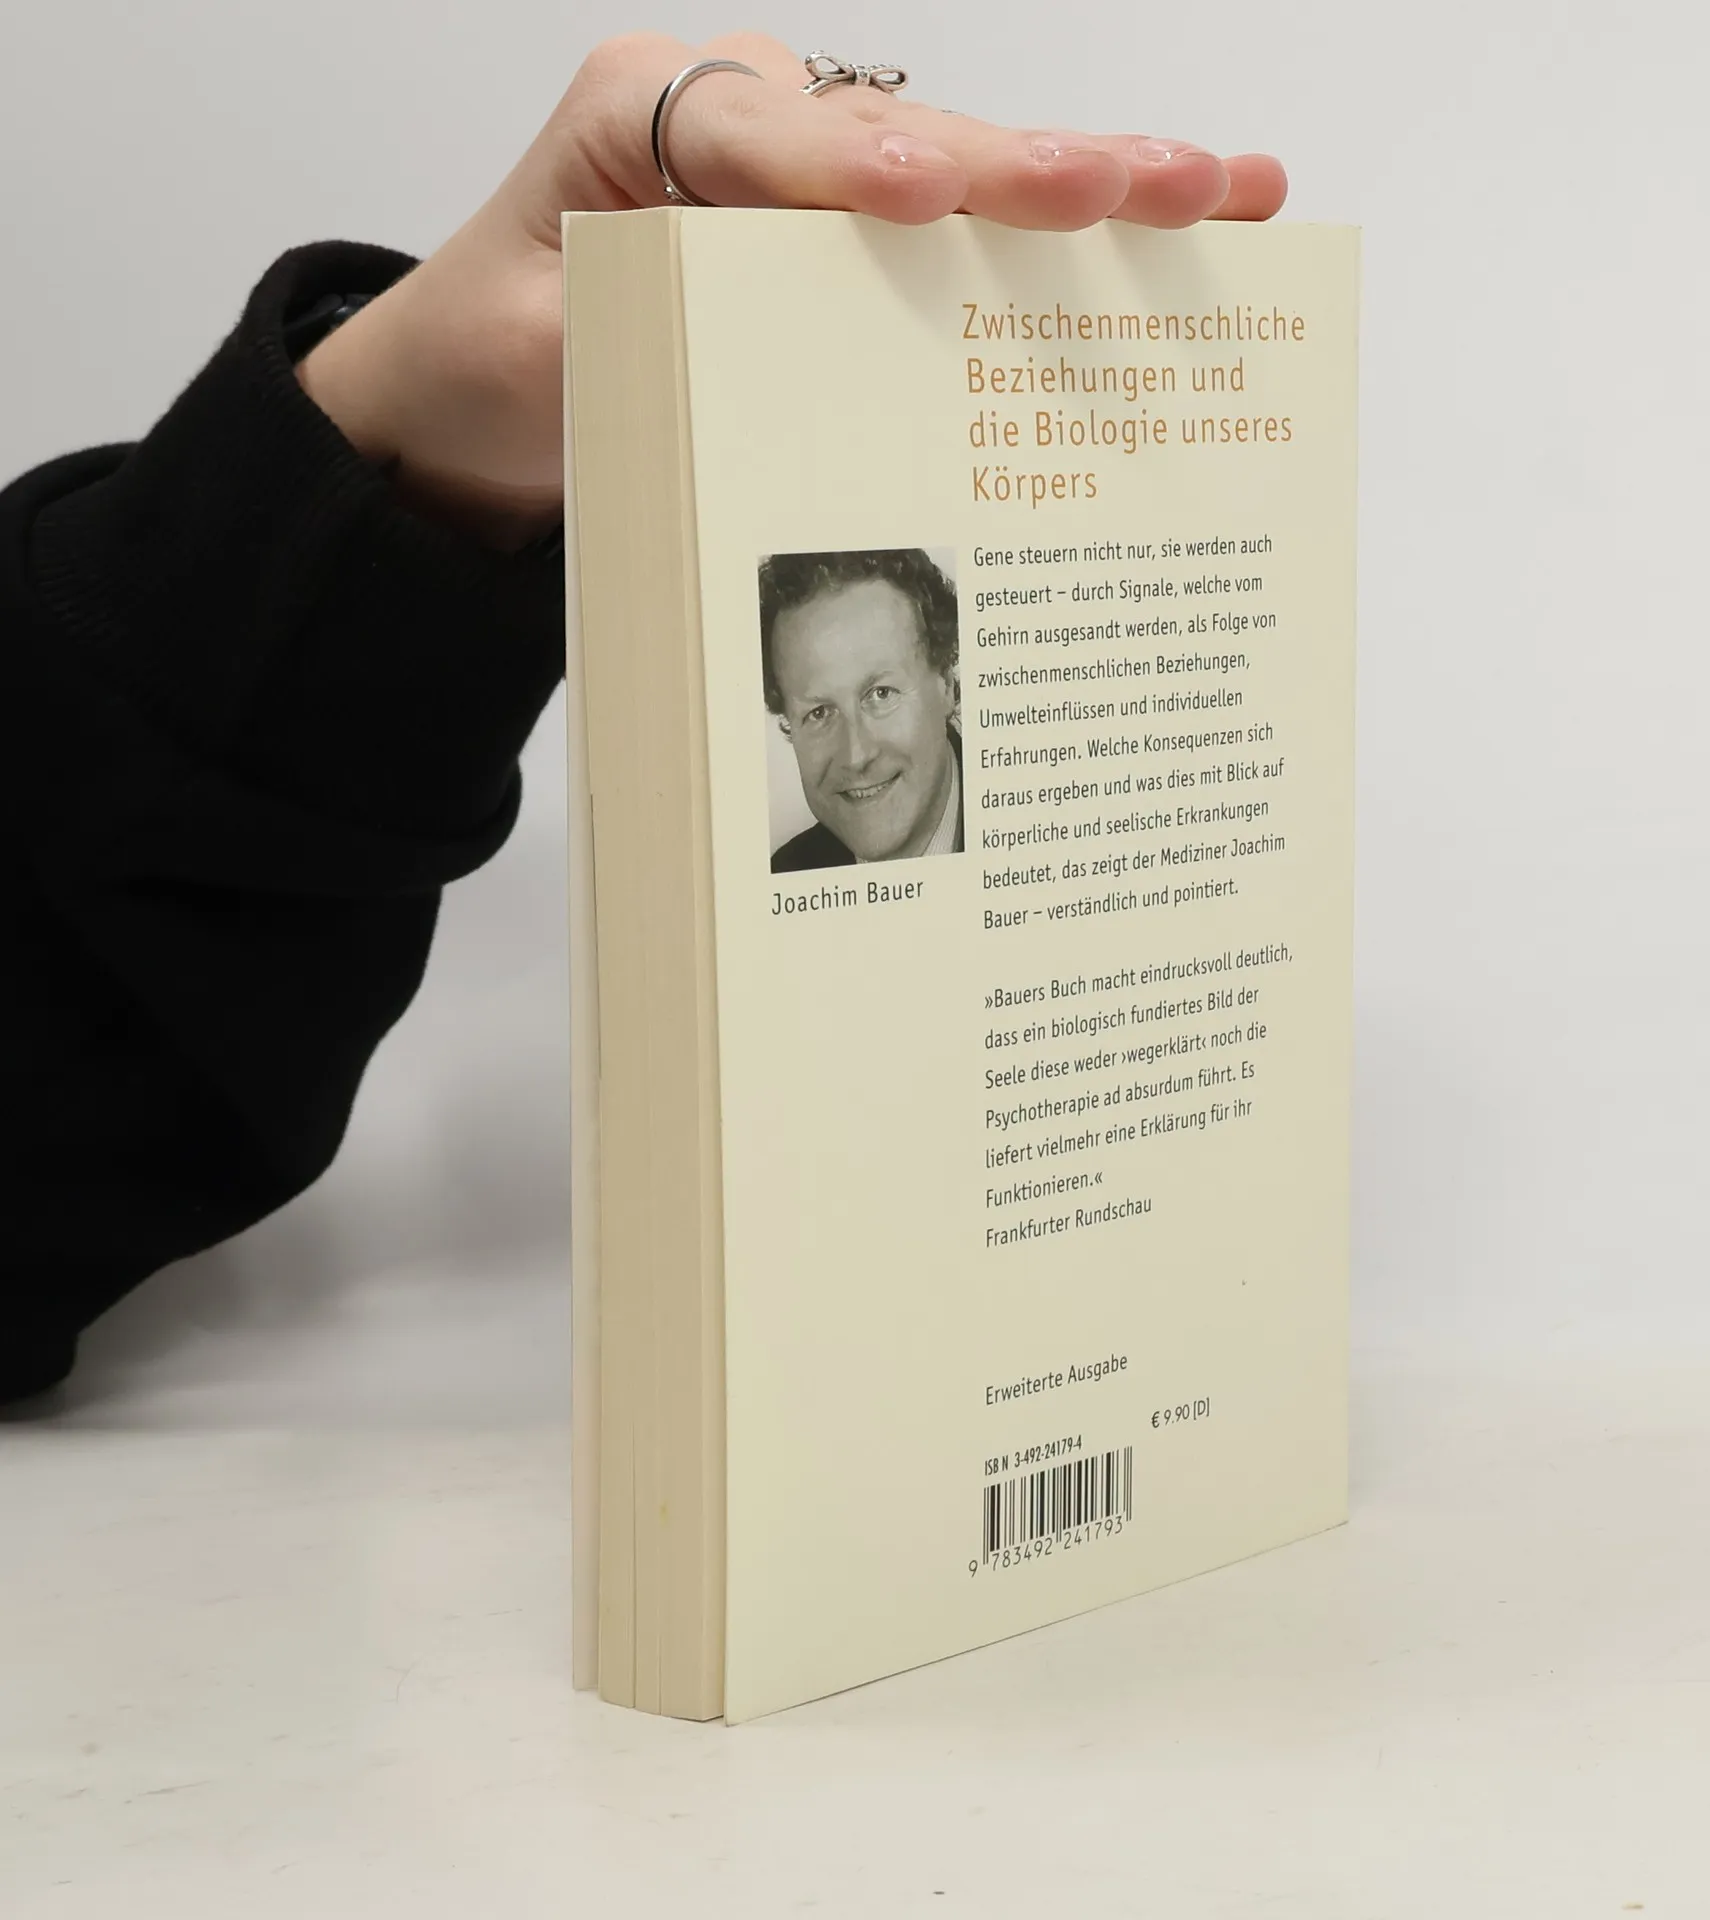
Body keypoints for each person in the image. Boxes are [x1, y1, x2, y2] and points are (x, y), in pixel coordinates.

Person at [0, 32, 1288, 1404]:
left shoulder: (1106, 863)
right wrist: (419, 459)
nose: (850, 753)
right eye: (811, 710)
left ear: (953, 682)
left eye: (880, 691)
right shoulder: (797, 867)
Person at [762, 548, 963, 869]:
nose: (856, 756)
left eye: (881, 694)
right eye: (819, 712)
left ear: (947, 685)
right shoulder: (785, 870)